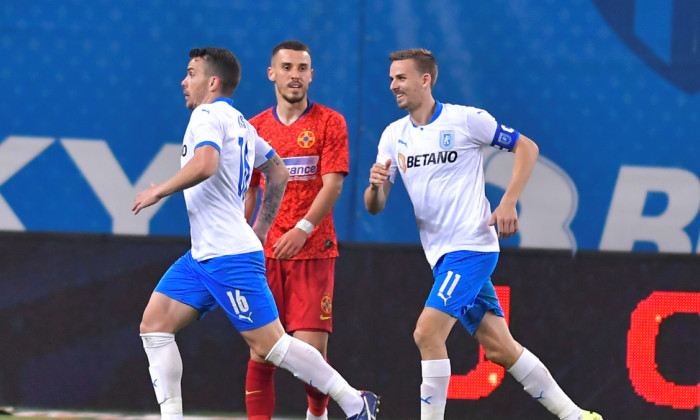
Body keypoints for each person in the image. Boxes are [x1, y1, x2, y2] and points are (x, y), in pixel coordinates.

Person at [133, 47, 378, 420]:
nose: (184, 81)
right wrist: (261, 228)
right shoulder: (243, 124)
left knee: (272, 346)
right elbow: (277, 171)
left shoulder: (206, 115)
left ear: (212, 82)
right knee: (154, 325)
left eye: (191, 73)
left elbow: (206, 163)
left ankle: (355, 402)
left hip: (228, 256)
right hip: (202, 256)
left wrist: (158, 190)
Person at [363, 48, 602, 420]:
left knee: (427, 333)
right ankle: (577, 416)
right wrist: (376, 186)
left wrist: (508, 202)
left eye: (401, 78)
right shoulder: (393, 136)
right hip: (441, 257)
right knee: (499, 348)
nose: (393, 85)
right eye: (391, 78)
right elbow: (374, 206)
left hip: (472, 248)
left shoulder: (465, 120)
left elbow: (527, 147)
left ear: (425, 80)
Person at [243, 40, 349, 420]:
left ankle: (317, 414)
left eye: (302, 68)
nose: (295, 75)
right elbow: (251, 191)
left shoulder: (329, 122)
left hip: (313, 251)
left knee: (310, 352)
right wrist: (245, 240)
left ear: (311, 75)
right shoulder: (254, 128)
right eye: (287, 67)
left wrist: (302, 229)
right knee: (262, 350)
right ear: (272, 73)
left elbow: (333, 184)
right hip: (265, 255)